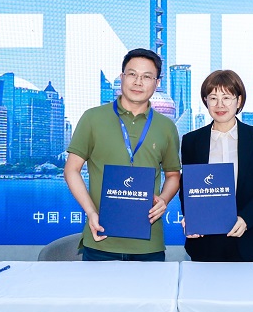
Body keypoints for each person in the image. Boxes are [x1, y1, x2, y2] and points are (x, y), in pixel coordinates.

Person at [64, 48, 182, 261]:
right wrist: (91, 212)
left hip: (149, 244)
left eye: (147, 77)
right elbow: (71, 170)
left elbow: (173, 175)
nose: (138, 82)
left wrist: (164, 199)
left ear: (157, 83)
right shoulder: (93, 118)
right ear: (122, 77)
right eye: (132, 74)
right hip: (100, 239)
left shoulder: (166, 127)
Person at [179, 70, 253, 262]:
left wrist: (246, 219)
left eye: (226, 97)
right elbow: (187, 187)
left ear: (238, 101)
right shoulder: (192, 141)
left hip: (248, 239)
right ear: (206, 101)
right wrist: (191, 217)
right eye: (213, 98)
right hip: (204, 242)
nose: (220, 105)